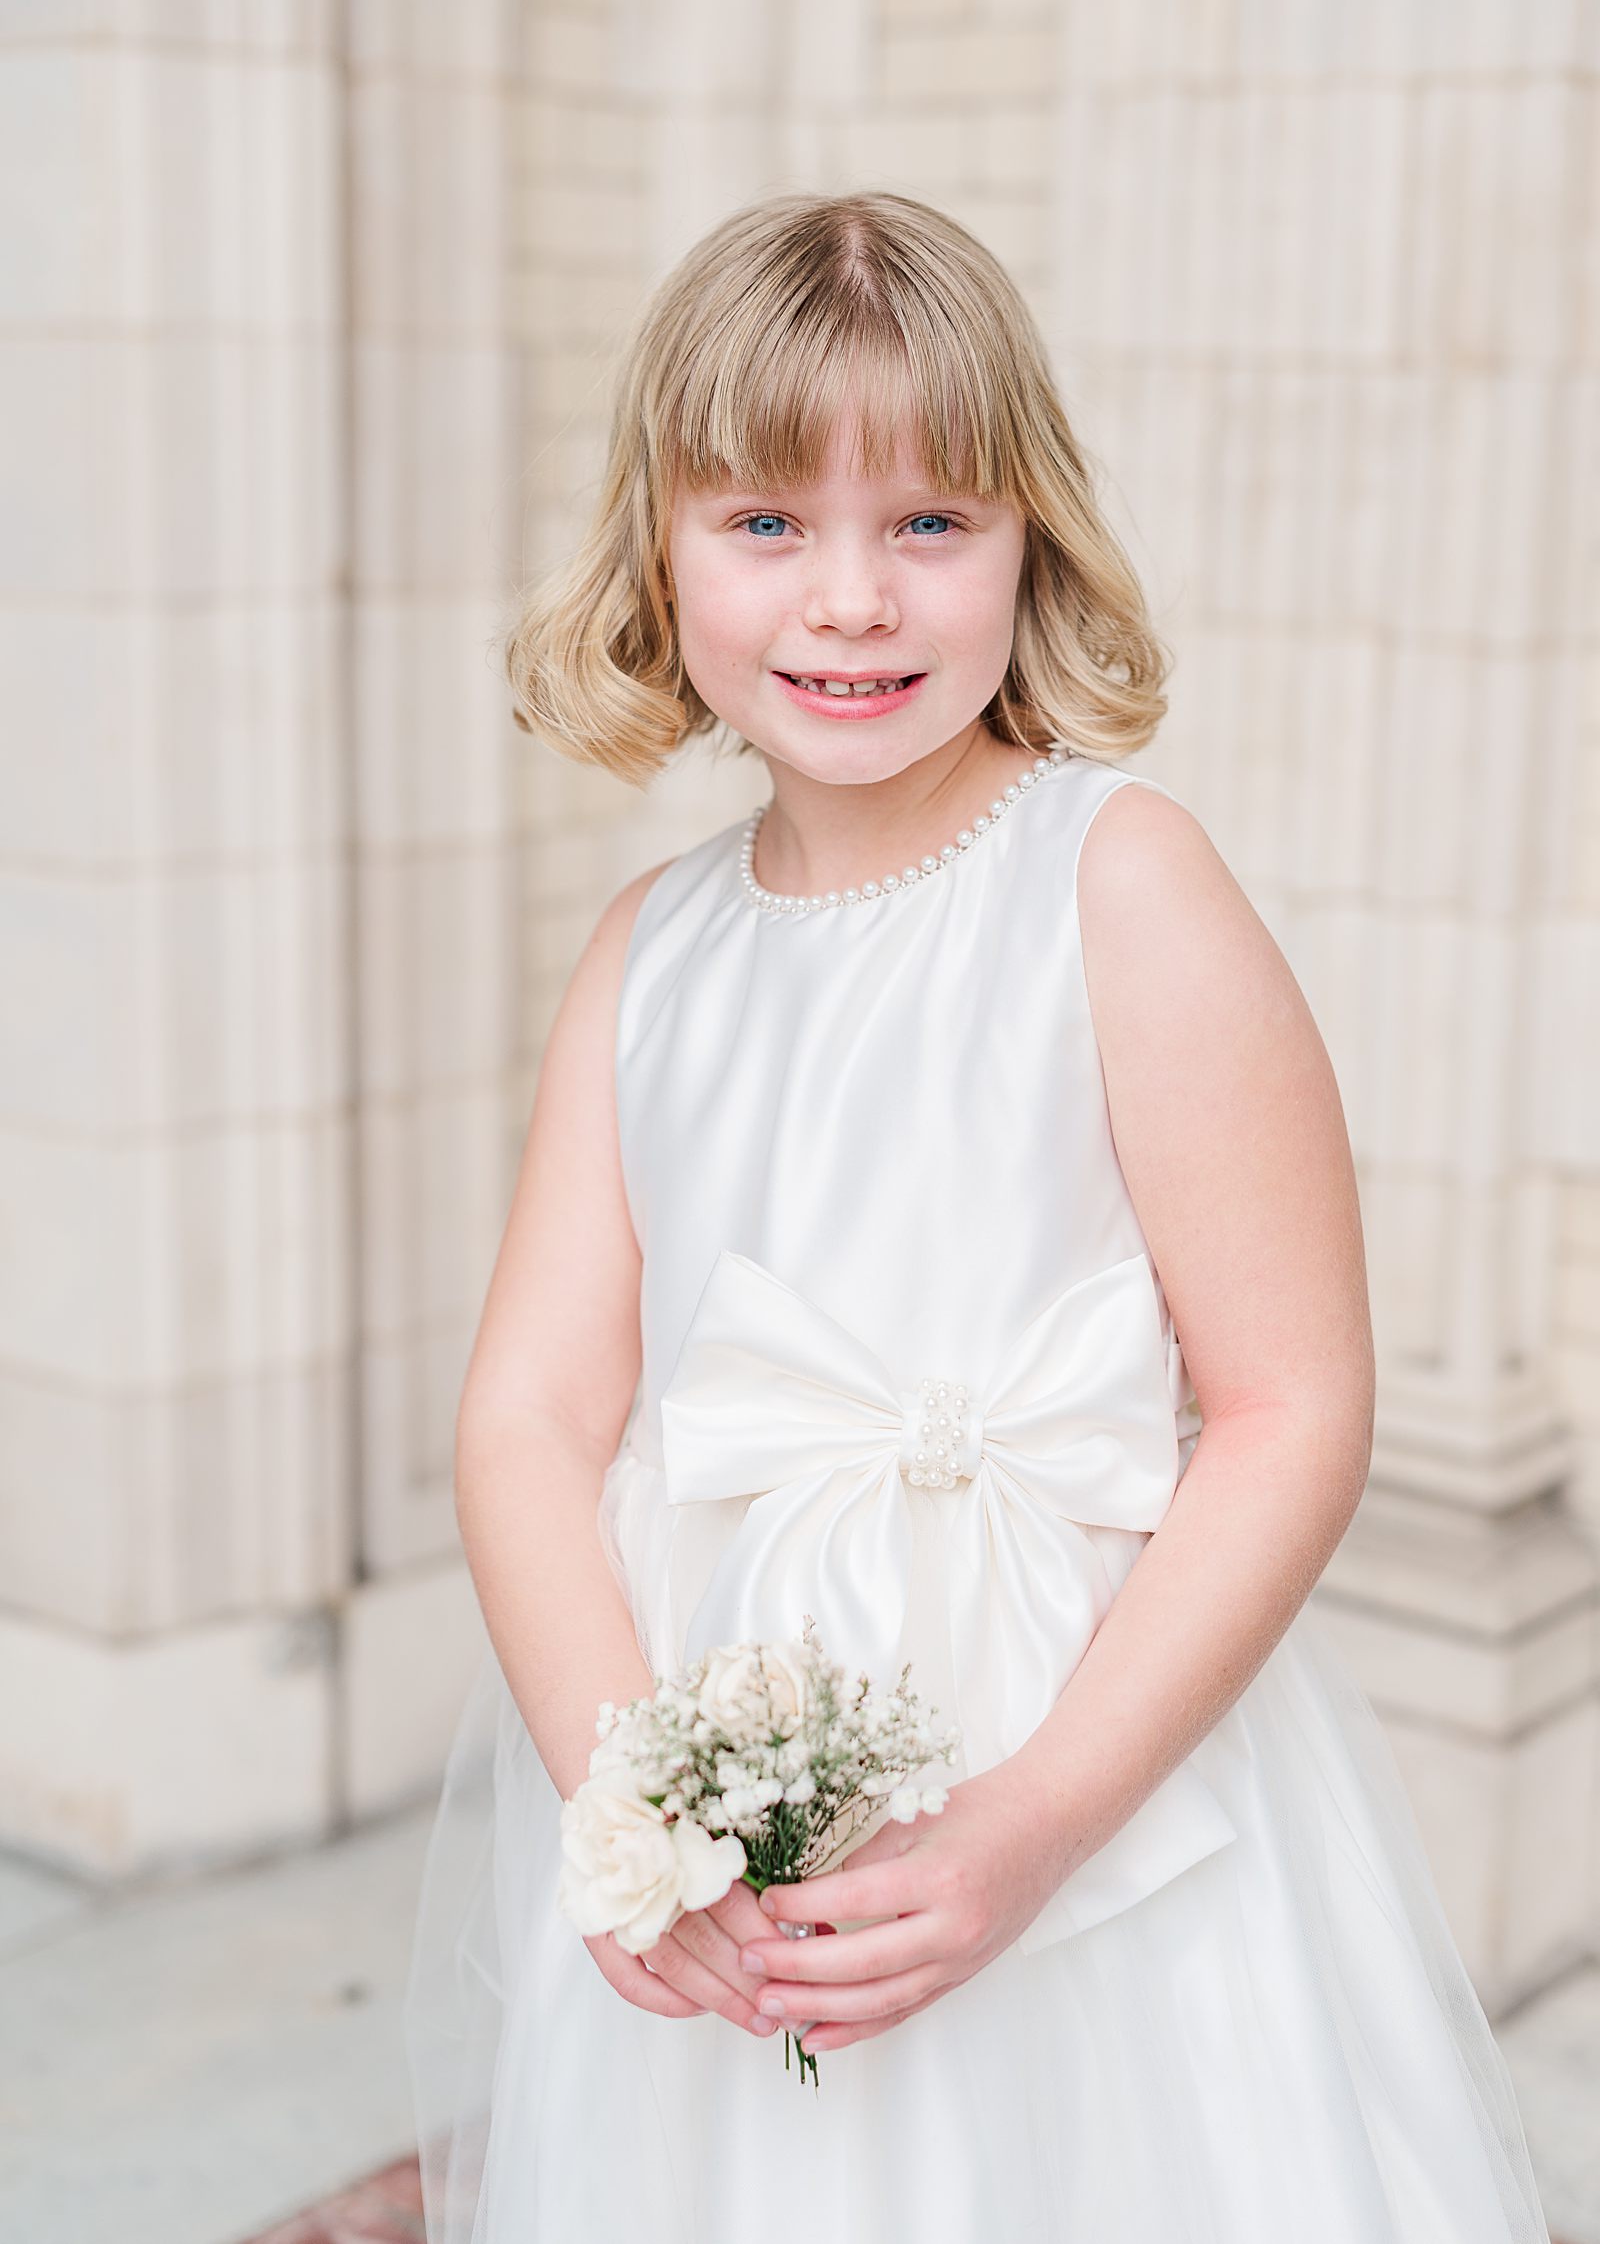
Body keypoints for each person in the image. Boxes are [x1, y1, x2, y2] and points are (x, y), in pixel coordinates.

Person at [402, 191, 1551, 2240]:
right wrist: (628, 1806)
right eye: (766, 522)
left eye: (928, 523)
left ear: (1029, 545)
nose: (850, 599)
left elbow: (1288, 1404)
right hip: (732, 1832)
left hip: (1072, 1795)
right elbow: (526, 1419)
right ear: (655, 554)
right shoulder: (646, 956)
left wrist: (1031, 1826)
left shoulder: (1113, 882)